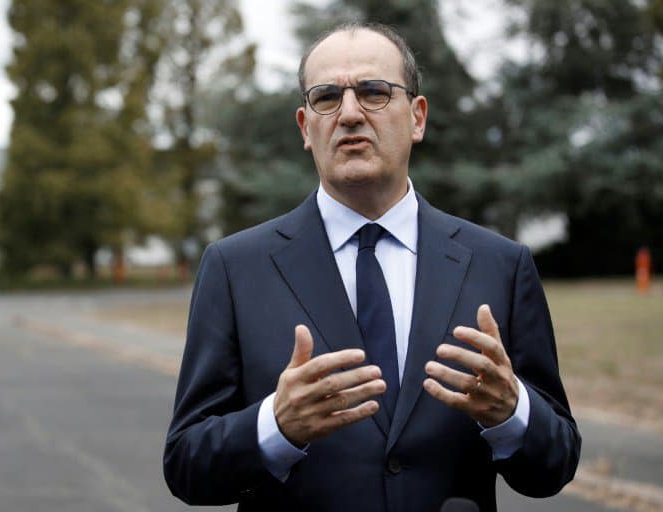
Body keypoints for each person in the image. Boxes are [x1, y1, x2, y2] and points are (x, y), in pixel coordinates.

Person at [164, 22, 580, 512]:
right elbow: (187, 466)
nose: (349, 113)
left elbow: (554, 465)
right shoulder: (234, 269)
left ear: (418, 117)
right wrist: (275, 425)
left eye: (373, 92)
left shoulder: (500, 265)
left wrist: (512, 413)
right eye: (326, 97)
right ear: (305, 126)